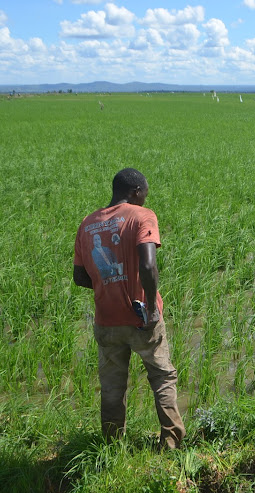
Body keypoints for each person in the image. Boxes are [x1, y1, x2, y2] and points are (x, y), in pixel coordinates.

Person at [73, 168, 185, 449]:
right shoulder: (141, 216)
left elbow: (79, 276)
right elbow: (148, 264)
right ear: (136, 192)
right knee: (162, 377)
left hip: (107, 319)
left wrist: (108, 285)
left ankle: (111, 448)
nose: (145, 199)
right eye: (145, 194)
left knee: (112, 385)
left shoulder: (87, 224)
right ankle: (170, 444)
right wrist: (149, 305)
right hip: (140, 317)